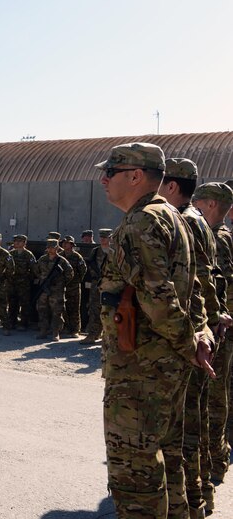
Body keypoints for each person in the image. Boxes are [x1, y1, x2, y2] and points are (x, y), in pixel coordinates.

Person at [96, 142, 214, 518]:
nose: (103, 180)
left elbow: (159, 298)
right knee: (166, 464)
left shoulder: (141, 221)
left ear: (135, 176)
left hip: (141, 373)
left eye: (110, 172)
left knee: (136, 481)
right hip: (165, 368)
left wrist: (188, 344)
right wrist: (197, 336)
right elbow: (192, 290)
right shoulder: (174, 217)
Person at [160, 159, 224, 516]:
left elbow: (196, 284)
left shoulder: (184, 221)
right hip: (203, 330)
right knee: (191, 427)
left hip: (190, 335)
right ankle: (200, 501)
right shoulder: (198, 222)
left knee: (182, 432)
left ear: (171, 187)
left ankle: (190, 504)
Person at [191, 182, 233, 486]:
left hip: (220, 330)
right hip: (220, 328)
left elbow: (221, 289)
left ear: (210, 206)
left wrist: (219, 323)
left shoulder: (218, 240)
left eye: (199, 203)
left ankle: (215, 463)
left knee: (214, 399)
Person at [31, 239, 73, 341]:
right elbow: (36, 270)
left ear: (57, 248)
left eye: (53, 247)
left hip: (57, 290)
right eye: (49, 247)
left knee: (57, 311)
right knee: (42, 309)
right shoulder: (42, 259)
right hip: (44, 289)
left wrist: (60, 283)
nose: (50, 250)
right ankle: (43, 331)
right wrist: (43, 279)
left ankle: (55, 332)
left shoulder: (62, 260)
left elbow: (70, 274)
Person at [80, 229, 112, 345]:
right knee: (94, 308)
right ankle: (93, 334)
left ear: (110, 238)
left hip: (111, 284)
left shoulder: (114, 251)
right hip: (96, 284)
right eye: (101, 237)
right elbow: (89, 266)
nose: (103, 239)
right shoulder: (95, 251)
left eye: (105, 237)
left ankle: (108, 335)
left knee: (110, 310)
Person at [60, 235, 88, 337]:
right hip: (63, 286)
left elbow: (83, 270)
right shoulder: (60, 255)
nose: (64, 244)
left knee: (75, 308)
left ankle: (76, 330)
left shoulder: (77, 256)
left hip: (74, 286)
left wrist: (77, 281)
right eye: (63, 243)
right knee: (63, 308)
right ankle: (66, 328)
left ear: (71, 245)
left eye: (67, 243)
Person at [8, 234, 36, 331]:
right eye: (15, 241)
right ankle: (12, 322)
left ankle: (23, 323)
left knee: (24, 303)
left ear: (24, 243)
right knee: (12, 303)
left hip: (24, 283)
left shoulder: (28, 254)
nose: (16, 243)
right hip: (12, 282)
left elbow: (34, 269)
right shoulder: (11, 253)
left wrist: (29, 279)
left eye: (19, 241)